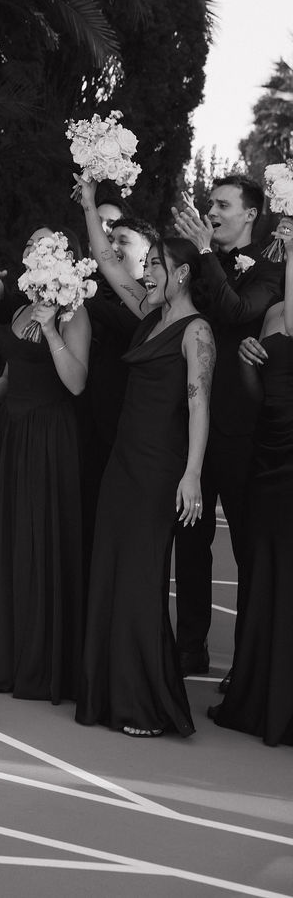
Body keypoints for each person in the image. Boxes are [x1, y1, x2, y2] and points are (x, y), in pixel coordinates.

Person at [73, 177, 214, 737]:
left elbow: (199, 405)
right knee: (111, 571)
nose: (145, 272)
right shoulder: (148, 313)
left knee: (140, 579)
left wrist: (193, 476)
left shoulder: (195, 330)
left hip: (160, 469)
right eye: (147, 262)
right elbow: (107, 261)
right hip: (124, 463)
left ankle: (144, 703)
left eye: (155, 264)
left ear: (179, 273)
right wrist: (88, 206)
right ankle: (110, 694)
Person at [0, 226, 91, 703]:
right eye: (29, 244)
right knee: (12, 538)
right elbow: (11, 374)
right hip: (13, 436)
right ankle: (9, 657)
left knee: (40, 540)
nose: (33, 251)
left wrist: (54, 326)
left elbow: (77, 383)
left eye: (44, 245)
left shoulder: (73, 313)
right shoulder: (18, 311)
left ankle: (41, 664)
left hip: (48, 438)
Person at [171, 175, 283, 678]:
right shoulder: (195, 265)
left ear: (250, 214)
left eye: (222, 204)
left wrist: (203, 253)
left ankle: (248, 665)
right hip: (191, 426)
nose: (210, 210)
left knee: (246, 549)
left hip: (242, 430)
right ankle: (189, 646)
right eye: (209, 203)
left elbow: (239, 310)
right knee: (189, 542)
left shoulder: (270, 268)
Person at [212, 218, 293, 746]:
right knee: (264, 577)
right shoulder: (274, 316)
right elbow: (260, 394)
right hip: (268, 460)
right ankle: (261, 691)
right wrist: (245, 365)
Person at [77, 215, 153, 567]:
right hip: (87, 427)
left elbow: (131, 327)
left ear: (149, 251)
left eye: (125, 240)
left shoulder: (153, 301)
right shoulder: (92, 292)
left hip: (128, 435)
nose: (115, 246)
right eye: (112, 240)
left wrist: (86, 298)